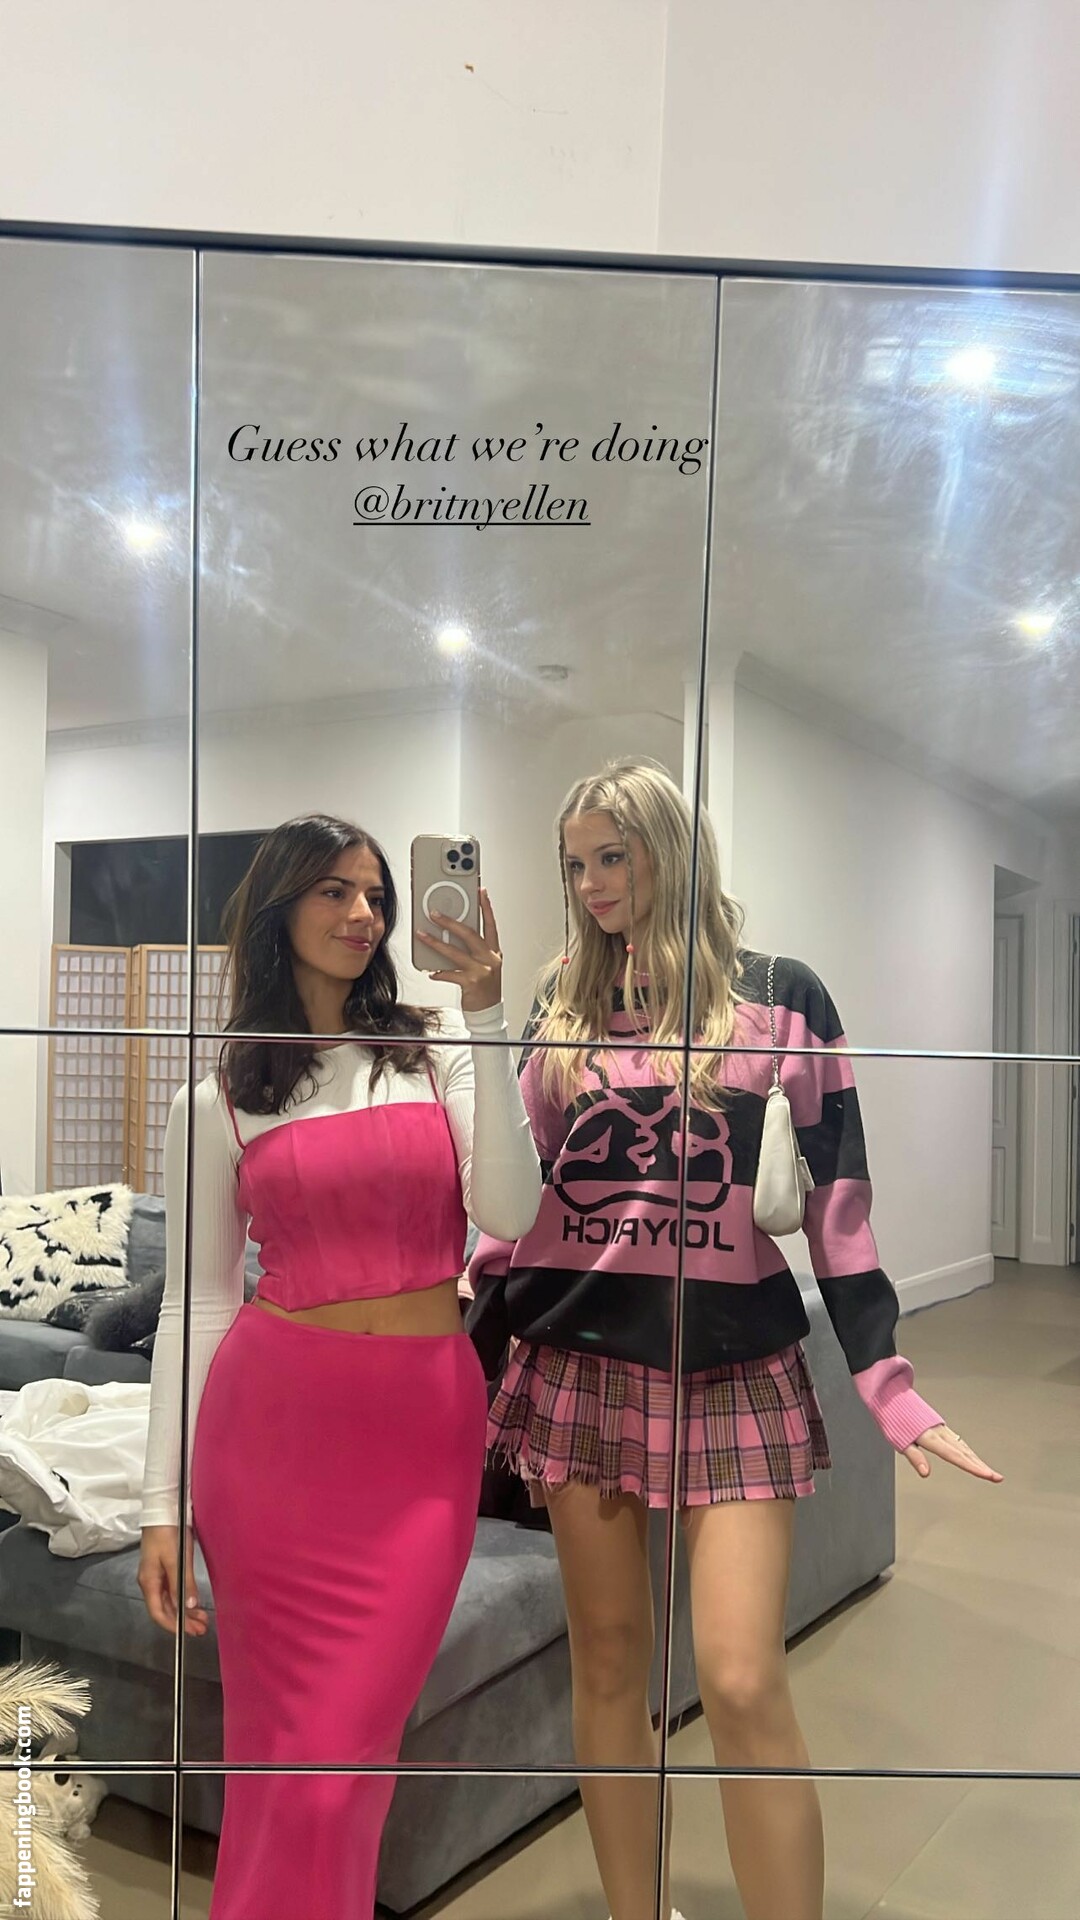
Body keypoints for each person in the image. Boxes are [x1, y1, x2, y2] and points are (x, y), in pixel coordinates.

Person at [466, 759, 1001, 1920]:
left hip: (735, 1372)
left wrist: (890, 1383)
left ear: (672, 849)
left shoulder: (782, 999)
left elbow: (841, 1208)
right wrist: (472, 1331)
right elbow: (517, 1200)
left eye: (614, 855)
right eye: (574, 863)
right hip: (576, 1361)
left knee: (744, 1677)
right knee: (610, 1664)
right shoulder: (558, 1002)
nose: (592, 884)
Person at [137, 813, 541, 1920]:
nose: (364, 914)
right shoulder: (215, 1098)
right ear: (278, 909)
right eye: (335, 891)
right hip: (272, 1443)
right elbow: (197, 1303)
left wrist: (489, 1013)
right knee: (289, 1764)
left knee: (347, 1761)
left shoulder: (434, 1050)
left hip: (417, 1444)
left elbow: (511, 1210)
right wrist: (163, 1503)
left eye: (376, 896)